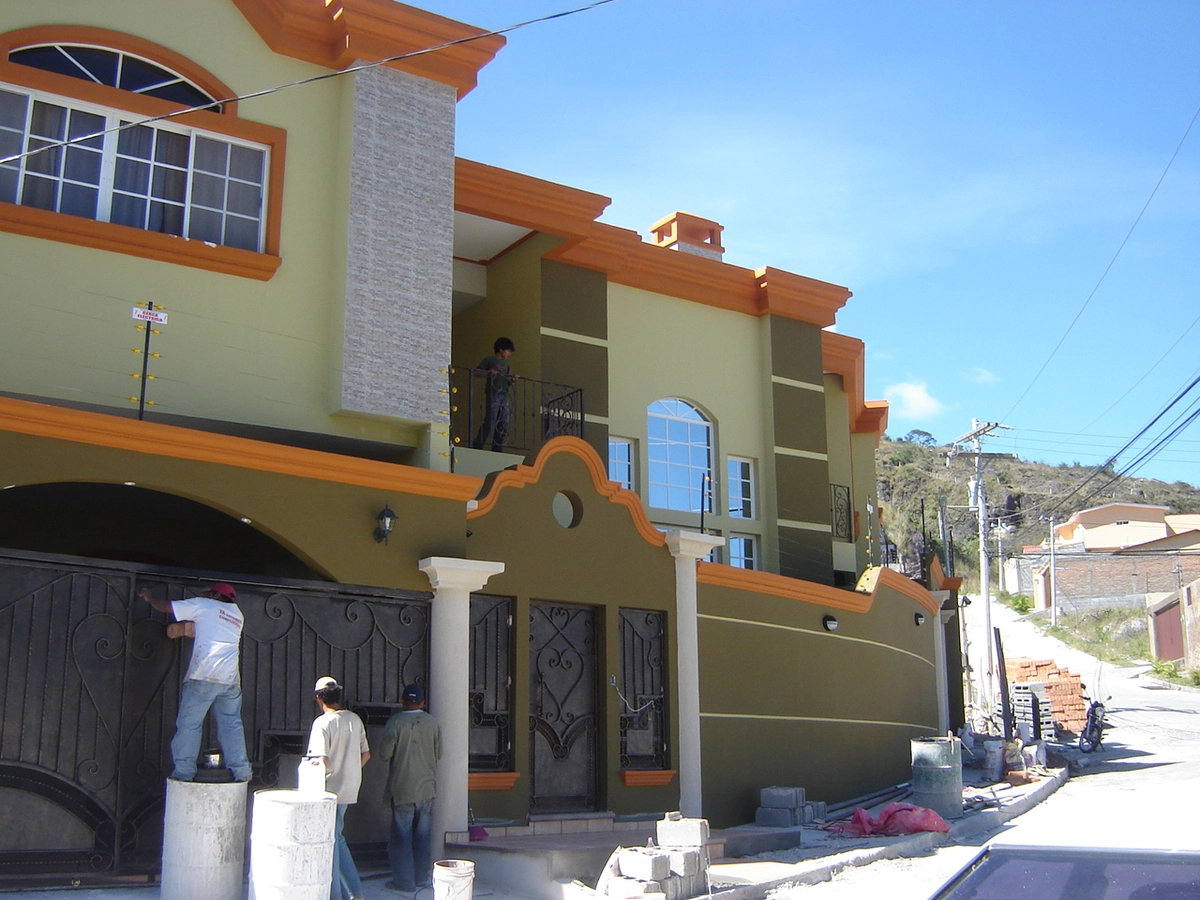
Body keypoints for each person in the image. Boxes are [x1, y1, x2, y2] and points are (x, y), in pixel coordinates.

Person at [137, 582, 252, 782]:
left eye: (211, 595)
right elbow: (212, 628)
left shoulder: (205, 605)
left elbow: (166, 607)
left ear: (217, 596)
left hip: (204, 676)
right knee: (231, 725)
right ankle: (242, 772)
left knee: (189, 724)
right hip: (230, 681)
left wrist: (149, 597)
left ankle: (184, 773)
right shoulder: (237, 615)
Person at [307, 677, 370, 900]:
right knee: (336, 837)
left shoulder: (322, 723)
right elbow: (366, 754)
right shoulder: (354, 719)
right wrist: (349, 770)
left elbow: (320, 760)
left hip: (328, 790)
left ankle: (344, 894)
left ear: (318, 698)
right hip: (349, 788)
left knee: (332, 841)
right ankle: (352, 893)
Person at [379, 684, 441, 894]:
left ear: (402, 700)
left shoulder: (395, 722)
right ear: (423, 702)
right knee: (423, 835)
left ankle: (404, 882)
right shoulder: (433, 723)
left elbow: (384, 754)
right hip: (427, 788)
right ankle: (421, 878)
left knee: (402, 836)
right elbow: (439, 753)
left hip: (403, 788)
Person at [472, 337, 519, 451]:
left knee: (503, 421)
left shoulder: (506, 365)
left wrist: (512, 380)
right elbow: (476, 372)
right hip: (493, 392)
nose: (509, 354)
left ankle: (497, 447)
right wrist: (488, 372)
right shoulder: (489, 360)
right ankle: (478, 445)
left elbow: (505, 381)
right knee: (491, 420)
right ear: (501, 349)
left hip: (504, 394)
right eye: (508, 351)